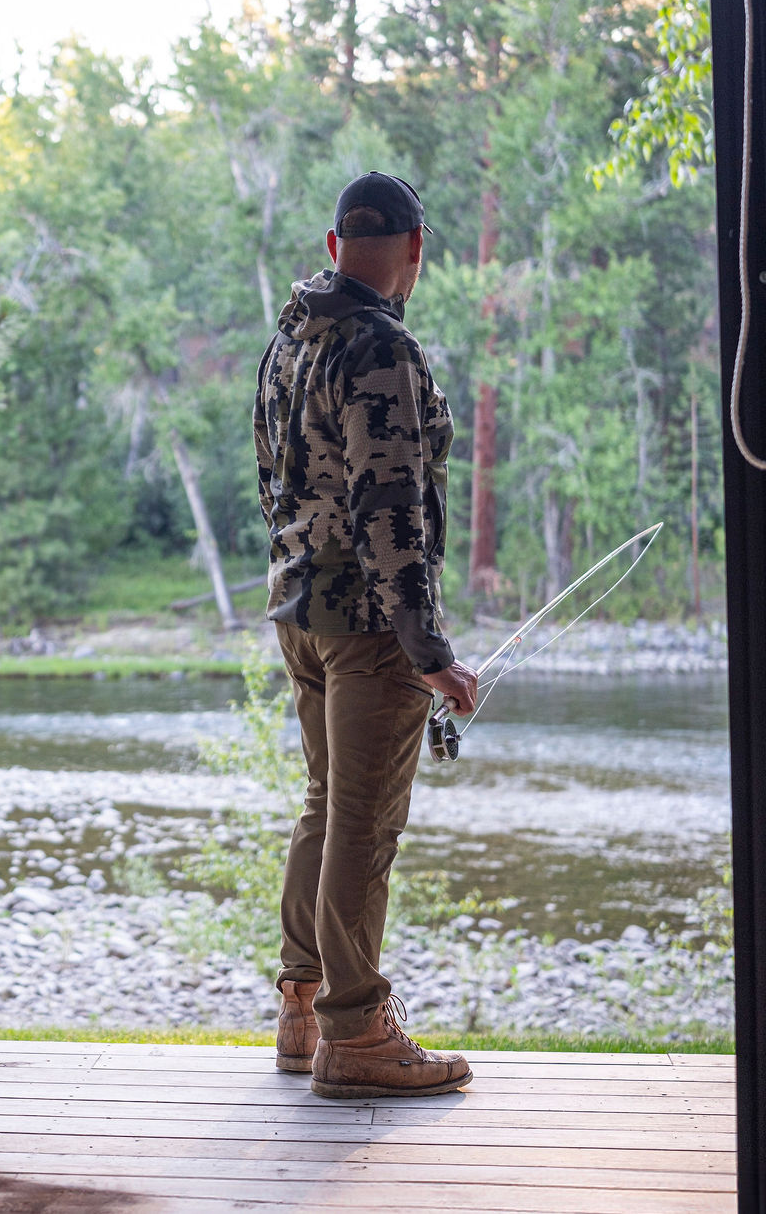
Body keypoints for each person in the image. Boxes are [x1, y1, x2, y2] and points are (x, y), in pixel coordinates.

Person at [253, 171, 481, 1100]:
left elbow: (272, 477)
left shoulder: (291, 336)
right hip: (368, 628)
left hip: (301, 614)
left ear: (334, 244)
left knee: (325, 802)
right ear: (416, 250)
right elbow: (392, 510)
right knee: (364, 821)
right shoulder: (381, 346)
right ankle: (355, 1034)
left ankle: (302, 1007)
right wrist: (429, 653)